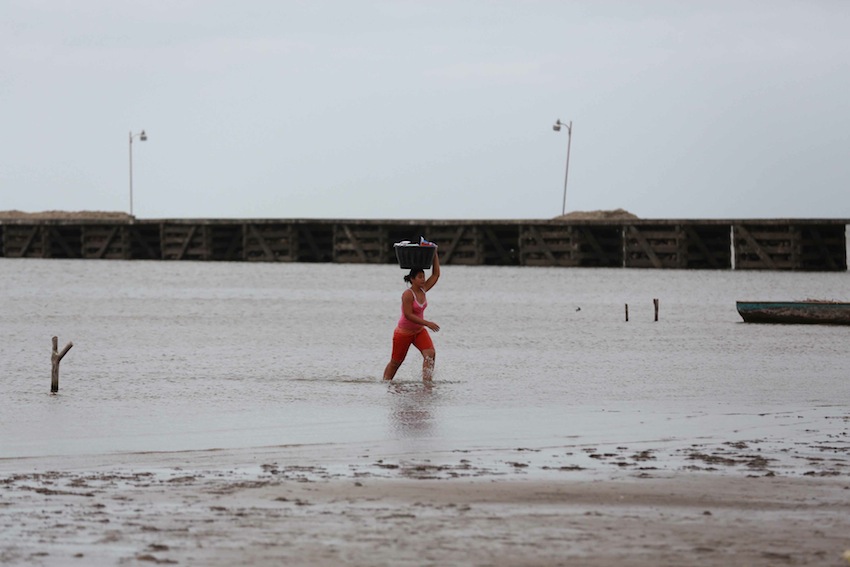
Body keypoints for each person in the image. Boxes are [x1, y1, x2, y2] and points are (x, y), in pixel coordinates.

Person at [383, 249, 440, 381]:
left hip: (419, 331)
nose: (423, 279)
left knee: (430, 354)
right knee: (396, 362)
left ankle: (427, 383)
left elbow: (436, 275)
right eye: (420, 277)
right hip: (404, 332)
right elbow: (408, 315)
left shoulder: (423, 289)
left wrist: (434, 254)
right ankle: (385, 382)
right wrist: (427, 323)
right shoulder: (407, 294)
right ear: (412, 279)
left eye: (423, 276)